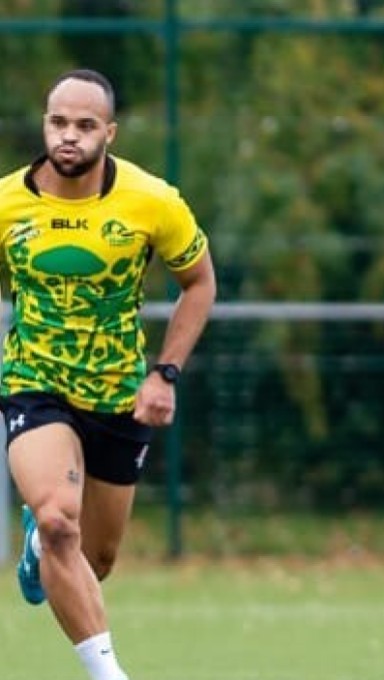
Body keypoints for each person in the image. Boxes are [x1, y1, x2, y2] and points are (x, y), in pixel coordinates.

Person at [0, 69, 216, 680]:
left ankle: (40, 550)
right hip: (33, 383)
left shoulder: (152, 201)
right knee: (57, 515)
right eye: (57, 122)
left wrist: (164, 374)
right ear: (44, 123)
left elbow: (199, 284)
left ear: (110, 133)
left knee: (95, 557)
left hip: (119, 394)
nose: (68, 136)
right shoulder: (7, 202)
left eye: (84, 126)